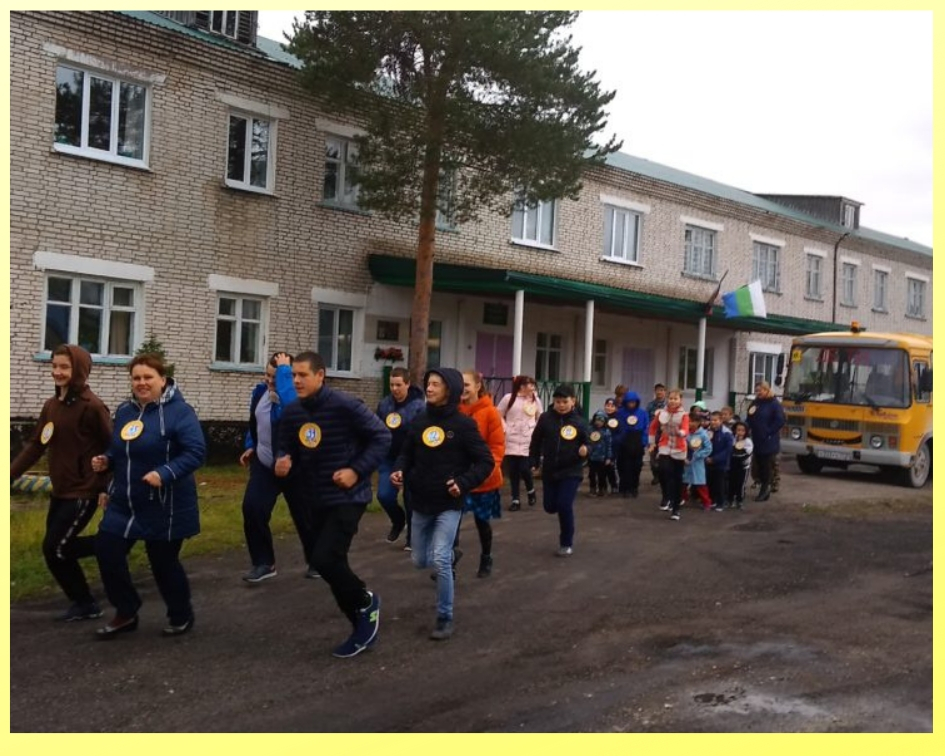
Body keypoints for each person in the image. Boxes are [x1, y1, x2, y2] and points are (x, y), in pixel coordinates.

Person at [275, 351, 391, 658]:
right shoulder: (293, 412)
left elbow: (381, 437)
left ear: (320, 375)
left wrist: (356, 471)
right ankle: (361, 625)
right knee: (326, 562)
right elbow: (285, 446)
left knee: (326, 559)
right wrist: (283, 460)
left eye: (302, 375)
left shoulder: (345, 405)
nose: (296, 380)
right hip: (313, 498)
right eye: (293, 375)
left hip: (348, 497)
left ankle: (366, 602)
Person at [91, 353, 206, 638]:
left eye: (148, 377)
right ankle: (126, 611)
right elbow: (119, 449)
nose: (141, 383)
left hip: (164, 503)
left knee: (163, 563)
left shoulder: (180, 412)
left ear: (163, 380)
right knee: (107, 551)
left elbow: (195, 452)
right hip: (125, 501)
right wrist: (106, 460)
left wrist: (164, 473)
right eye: (136, 378)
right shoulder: (125, 411)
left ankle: (181, 614)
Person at [10, 344, 112, 621]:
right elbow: (36, 445)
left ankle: (110, 546)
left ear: (79, 370)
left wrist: (106, 487)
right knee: (56, 549)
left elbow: (112, 449)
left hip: (84, 490)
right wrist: (10, 475)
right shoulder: (51, 406)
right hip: (61, 489)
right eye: (54, 366)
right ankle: (85, 602)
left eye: (64, 367)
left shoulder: (93, 407)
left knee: (54, 548)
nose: (57, 371)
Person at [391, 368, 493, 640]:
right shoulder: (419, 421)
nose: (430, 388)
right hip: (420, 501)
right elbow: (405, 454)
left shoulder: (463, 425)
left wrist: (463, 482)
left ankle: (444, 617)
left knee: (439, 560)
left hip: (449, 503)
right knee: (420, 560)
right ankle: (449, 554)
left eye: (436, 384)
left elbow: (485, 461)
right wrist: (400, 470)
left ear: (450, 389)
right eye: (429, 383)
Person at [240, 352, 316, 584]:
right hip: (265, 465)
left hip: (296, 468)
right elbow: (256, 424)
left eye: (276, 376)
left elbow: (293, 412)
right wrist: (251, 446)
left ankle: (318, 561)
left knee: (306, 517)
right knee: (253, 509)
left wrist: (285, 374)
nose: (270, 381)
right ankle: (264, 562)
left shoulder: (299, 399)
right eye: (268, 375)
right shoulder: (260, 393)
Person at [529, 383, 590, 556]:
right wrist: (533, 461)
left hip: (571, 470)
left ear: (573, 401)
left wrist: (586, 449)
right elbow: (536, 441)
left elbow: (589, 442)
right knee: (550, 507)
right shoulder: (546, 419)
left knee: (564, 505)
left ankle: (566, 543)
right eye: (558, 402)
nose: (561, 405)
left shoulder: (579, 422)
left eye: (565, 401)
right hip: (550, 470)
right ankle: (558, 506)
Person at [458, 370, 505, 578]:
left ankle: (486, 556)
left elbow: (497, 446)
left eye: (467, 384)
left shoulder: (490, 412)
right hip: (458, 477)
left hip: (483, 478)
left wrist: (487, 469)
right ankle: (449, 560)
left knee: (481, 521)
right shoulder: (454, 410)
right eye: (460, 385)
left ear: (478, 386)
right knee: (451, 520)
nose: (463, 389)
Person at [375, 367, 425, 548]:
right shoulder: (384, 405)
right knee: (384, 495)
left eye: (398, 385)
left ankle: (412, 537)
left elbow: (422, 434)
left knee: (410, 499)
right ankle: (398, 521)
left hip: (411, 460)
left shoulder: (419, 406)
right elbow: (376, 428)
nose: (394, 389)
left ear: (407, 384)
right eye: (391, 385)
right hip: (388, 458)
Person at [495, 375, 541, 511]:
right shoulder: (508, 398)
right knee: (513, 470)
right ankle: (515, 499)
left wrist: (535, 431)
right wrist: (505, 428)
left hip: (528, 440)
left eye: (532, 385)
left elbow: (540, 416)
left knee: (525, 468)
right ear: (520, 386)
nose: (531, 388)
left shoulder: (535, 400)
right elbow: (498, 414)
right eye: (528, 385)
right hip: (511, 439)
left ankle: (530, 490)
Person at [647, 388, 689, 521]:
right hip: (665, 446)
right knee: (663, 470)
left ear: (680, 400)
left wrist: (680, 432)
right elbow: (652, 428)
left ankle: (676, 508)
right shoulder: (661, 413)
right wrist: (652, 443)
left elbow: (686, 429)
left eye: (676, 399)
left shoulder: (684, 415)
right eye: (671, 398)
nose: (673, 401)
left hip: (679, 448)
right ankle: (667, 496)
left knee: (677, 478)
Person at [745, 381, 785, 502]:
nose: (758, 393)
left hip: (768, 440)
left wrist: (768, 432)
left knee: (767, 465)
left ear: (767, 390)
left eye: (760, 390)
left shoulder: (774, 404)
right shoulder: (755, 403)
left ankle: (765, 489)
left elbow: (780, 420)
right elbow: (749, 418)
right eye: (756, 390)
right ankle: (763, 486)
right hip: (756, 438)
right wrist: (745, 429)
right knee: (759, 465)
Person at [612, 390, 649, 498]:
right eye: (629, 402)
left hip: (637, 441)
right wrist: (619, 439)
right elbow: (617, 427)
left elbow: (646, 428)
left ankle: (634, 487)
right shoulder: (620, 413)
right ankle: (625, 488)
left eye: (633, 402)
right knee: (624, 466)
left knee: (637, 467)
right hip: (624, 442)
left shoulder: (642, 413)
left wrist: (644, 441)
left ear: (637, 402)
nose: (631, 404)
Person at [682, 406, 713, 511]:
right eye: (689, 422)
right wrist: (683, 456)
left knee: (700, 484)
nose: (691, 424)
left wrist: (697, 455)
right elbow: (682, 445)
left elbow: (708, 448)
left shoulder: (703, 434)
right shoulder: (685, 433)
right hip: (686, 461)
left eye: (693, 422)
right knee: (683, 482)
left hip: (697, 463)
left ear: (699, 422)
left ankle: (706, 502)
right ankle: (683, 499)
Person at [705, 410, 733, 511]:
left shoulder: (726, 433)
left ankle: (721, 502)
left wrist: (715, 459)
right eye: (711, 420)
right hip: (709, 462)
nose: (713, 422)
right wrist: (706, 457)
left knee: (720, 483)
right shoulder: (707, 431)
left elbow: (728, 449)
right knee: (710, 482)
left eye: (715, 420)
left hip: (721, 463)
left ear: (721, 421)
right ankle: (713, 500)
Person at [586, 411, 613, 497]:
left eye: (601, 421)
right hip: (592, 456)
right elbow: (587, 442)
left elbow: (609, 445)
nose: (599, 422)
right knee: (591, 474)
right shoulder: (590, 430)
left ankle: (602, 488)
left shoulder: (607, 432)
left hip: (602, 457)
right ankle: (592, 488)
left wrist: (608, 457)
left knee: (602, 474)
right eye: (597, 420)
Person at [727, 421, 754, 509]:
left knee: (741, 484)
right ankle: (730, 499)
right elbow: (730, 450)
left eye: (743, 430)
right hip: (733, 464)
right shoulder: (733, 439)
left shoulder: (747, 441)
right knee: (732, 482)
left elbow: (748, 453)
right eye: (738, 430)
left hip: (743, 466)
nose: (740, 432)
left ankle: (740, 500)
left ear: (746, 431)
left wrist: (739, 456)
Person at [645, 383, 668, 486]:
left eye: (662, 390)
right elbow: (647, 419)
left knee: (664, 456)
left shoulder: (668, 405)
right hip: (653, 434)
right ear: (655, 392)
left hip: (665, 434)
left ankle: (663, 476)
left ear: (665, 392)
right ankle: (656, 476)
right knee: (653, 456)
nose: (659, 392)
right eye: (658, 390)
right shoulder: (650, 405)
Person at [601, 397, 620, 494]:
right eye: (607, 405)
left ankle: (614, 485)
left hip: (613, 446)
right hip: (601, 446)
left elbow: (620, 432)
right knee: (601, 467)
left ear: (616, 408)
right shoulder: (600, 417)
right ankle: (603, 486)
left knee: (611, 466)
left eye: (612, 406)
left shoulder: (618, 419)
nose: (609, 408)